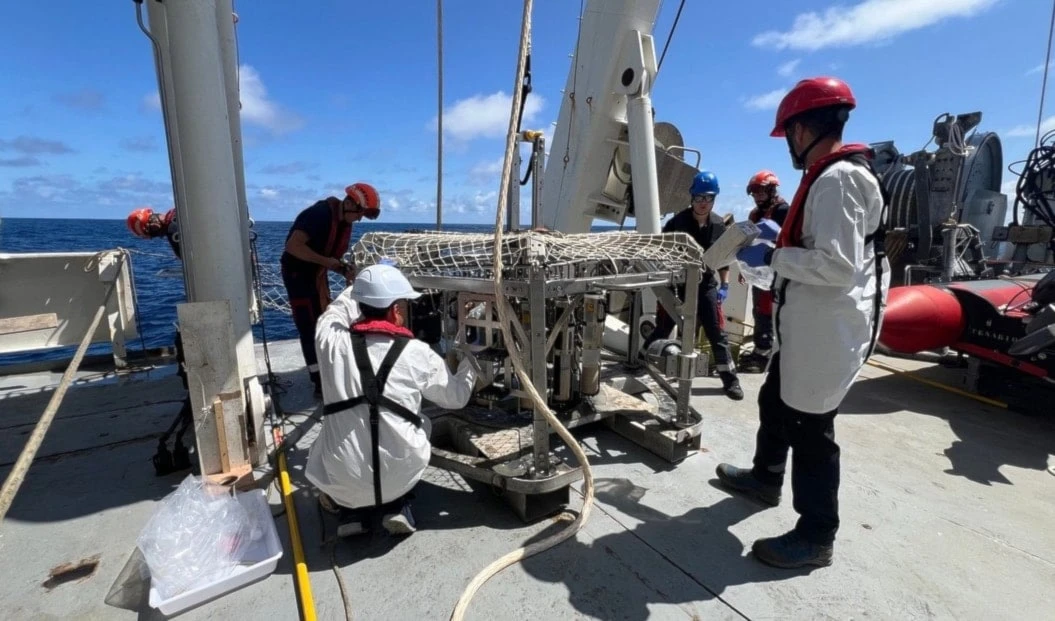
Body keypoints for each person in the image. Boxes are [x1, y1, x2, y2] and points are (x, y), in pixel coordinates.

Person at [717, 77, 890, 568]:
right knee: (775, 398)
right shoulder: (831, 175)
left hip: (828, 329)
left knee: (812, 431)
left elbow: (837, 267)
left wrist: (774, 256)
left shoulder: (839, 180)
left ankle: (817, 535)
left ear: (803, 127)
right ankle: (765, 477)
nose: (789, 143)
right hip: (808, 324)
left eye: (789, 132)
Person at [305, 263, 480, 535]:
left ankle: (350, 513)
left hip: (343, 479)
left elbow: (336, 310)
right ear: (396, 310)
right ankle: (399, 505)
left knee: (327, 435)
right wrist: (471, 363)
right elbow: (456, 398)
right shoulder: (417, 353)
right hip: (399, 477)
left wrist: (359, 285)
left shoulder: (329, 341)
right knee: (422, 423)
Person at [645, 170, 744, 401]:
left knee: (716, 333)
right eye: (699, 198)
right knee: (663, 328)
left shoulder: (719, 225)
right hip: (677, 285)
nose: (703, 203)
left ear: (714, 199)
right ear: (692, 197)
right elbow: (660, 255)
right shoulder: (676, 223)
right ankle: (641, 364)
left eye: (708, 198)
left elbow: (723, 258)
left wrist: (725, 285)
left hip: (706, 284)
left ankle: (730, 380)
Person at [281, 183, 381, 396]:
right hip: (299, 278)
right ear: (348, 203)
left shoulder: (343, 221)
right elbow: (293, 246)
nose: (359, 219)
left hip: (317, 276)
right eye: (359, 214)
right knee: (310, 327)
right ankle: (319, 381)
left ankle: (330, 372)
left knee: (325, 321)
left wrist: (342, 268)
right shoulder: (318, 215)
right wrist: (328, 262)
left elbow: (330, 257)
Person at [739, 171, 790, 373]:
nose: (758, 196)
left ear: (771, 190)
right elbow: (748, 242)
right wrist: (744, 269)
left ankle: (767, 354)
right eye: (754, 192)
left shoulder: (783, 211)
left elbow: (790, 241)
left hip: (779, 270)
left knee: (772, 311)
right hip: (760, 272)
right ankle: (761, 350)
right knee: (760, 310)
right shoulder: (755, 214)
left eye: (761, 191)